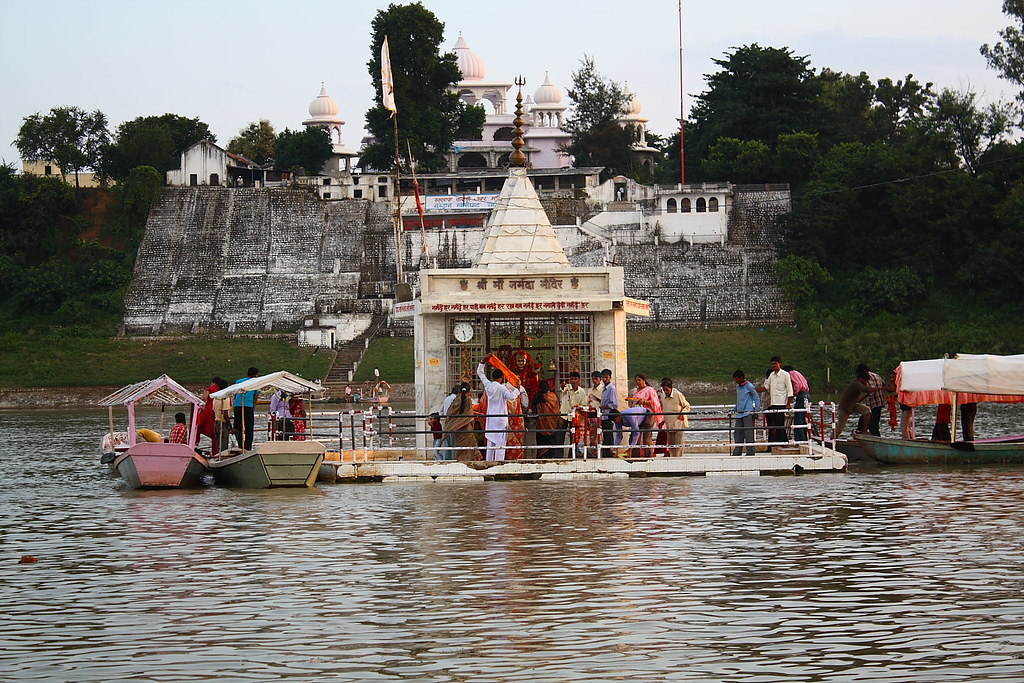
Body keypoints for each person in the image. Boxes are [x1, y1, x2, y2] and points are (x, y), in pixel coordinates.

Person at [477, 358, 523, 461]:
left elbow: (480, 372)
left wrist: (482, 362)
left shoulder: (488, 385)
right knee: (500, 444)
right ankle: (499, 464)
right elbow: (511, 397)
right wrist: (517, 389)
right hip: (501, 420)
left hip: (491, 420)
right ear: (501, 378)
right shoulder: (502, 388)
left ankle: (488, 463)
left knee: (490, 444)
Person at [760, 356, 793, 448]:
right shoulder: (771, 375)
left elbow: (790, 390)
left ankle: (784, 443)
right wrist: (753, 390)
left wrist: (788, 404)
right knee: (774, 425)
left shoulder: (785, 374)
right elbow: (766, 387)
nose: (774, 365)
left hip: (782, 403)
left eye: (775, 363)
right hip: (773, 404)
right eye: (772, 364)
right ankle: (779, 443)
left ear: (780, 364)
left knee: (779, 424)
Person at [629, 374, 663, 456]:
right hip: (637, 416)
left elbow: (655, 403)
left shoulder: (650, 390)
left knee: (646, 438)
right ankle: (635, 455)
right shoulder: (635, 391)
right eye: (636, 380)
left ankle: (648, 456)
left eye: (639, 380)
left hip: (647, 416)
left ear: (644, 380)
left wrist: (644, 402)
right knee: (635, 437)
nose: (638, 382)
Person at [444, 382, 480, 461]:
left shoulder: (455, 400)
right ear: (469, 391)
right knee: (468, 447)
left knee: (456, 448)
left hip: (455, 427)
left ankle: (455, 463)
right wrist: (471, 426)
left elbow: (450, 413)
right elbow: (470, 416)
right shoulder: (468, 400)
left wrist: (454, 423)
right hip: (466, 428)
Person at [558, 371, 589, 457]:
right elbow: (561, 389)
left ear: (579, 380)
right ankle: (558, 457)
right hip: (564, 416)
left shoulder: (582, 392)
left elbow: (583, 405)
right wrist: (562, 386)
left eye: (575, 379)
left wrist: (578, 407)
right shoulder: (566, 388)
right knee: (560, 437)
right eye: (571, 379)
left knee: (574, 438)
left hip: (575, 417)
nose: (573, 381)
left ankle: (572, 457)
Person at [835, 369, 871, 438]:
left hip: (853, 405)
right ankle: (832, 439)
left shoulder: (857, 384)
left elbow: (858, 400)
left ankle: (864, 431)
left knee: (867, 411)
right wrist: (882, 388)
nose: (866, 383)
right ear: (861, 379)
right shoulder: (856, 384)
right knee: (839, 429)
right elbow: (867, 390)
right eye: (865, 381)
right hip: (845, 408)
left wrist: (866, 395)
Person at [732, 370, 762, 456]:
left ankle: (750, 452)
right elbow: (739, 400)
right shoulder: (738, 387)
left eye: (737, 378)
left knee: (748, 433)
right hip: (740, 413)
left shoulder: (749, 386)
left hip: (748, 413)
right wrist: (735, 408)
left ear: (741, 378)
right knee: (737, 433)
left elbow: (756, 397)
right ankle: (737, 451)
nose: (736, 380)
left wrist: (756, 410)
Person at [658, 378, 691, 454]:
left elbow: (687, 406)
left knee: (679, 443)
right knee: (671, 444)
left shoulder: (678, 395)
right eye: (664, 390)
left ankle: (679, 459)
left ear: (671, 388)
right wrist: (662, 421)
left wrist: (682, 414)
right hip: (669, 423)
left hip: (679, 423)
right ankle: (672, 459)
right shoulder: (663, 397)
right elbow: (665, 410)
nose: (666, 392)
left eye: (667, 390)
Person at [233, 366, 260, 450]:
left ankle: (240, 445)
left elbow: (235, 394)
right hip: (248, 406)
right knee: (249, 427)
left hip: (237, 406)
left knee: (238, 426)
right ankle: (248, 446)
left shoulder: (239, 381)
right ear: (255, 375)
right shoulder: (257, 382)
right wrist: (253, 407)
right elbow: (255, 397)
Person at [782, 364, 810, 442]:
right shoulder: (798, 373)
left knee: (798, 418)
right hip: (806, 394)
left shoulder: (790, 374)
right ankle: (804, 438)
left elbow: (797, 385)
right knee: (803, 418)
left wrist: (792, 394)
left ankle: (800, 439)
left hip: (801, 395)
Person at [857, 364, 887, 436]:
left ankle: (876, 442)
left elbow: (871, 390)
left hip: (873, 404)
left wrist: (860, 399)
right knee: (872, 424)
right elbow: (884, 385)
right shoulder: (876, 375)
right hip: (879, 403)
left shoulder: (867, 378)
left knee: (870, 426)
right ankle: (873, 439)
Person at [533, 385, 562, 458]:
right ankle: (551, 457)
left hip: (541, 425)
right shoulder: (553, 396)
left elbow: (534, 410)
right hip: (552, 425)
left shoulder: (538, 396)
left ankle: (542, 458)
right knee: (551, 443)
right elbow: (557, 409)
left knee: (541, 444)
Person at [599, 368, 621, 456]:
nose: (604, 379)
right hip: (603, 415)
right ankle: (605, 454)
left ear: (610, 377)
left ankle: (608, 454)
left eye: (606, 377)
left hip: (608, 416)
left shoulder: (611, 388)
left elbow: (614, 404)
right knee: (605, 436)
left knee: (608, 436)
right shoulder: (604, 389)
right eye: (603, 378)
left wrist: (603, 407)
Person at [211, 377, 231, 454]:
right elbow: (225, 415)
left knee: (218, 445)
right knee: (224, 446)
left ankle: (218, 457)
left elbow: (213, 413)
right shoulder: (225, 399)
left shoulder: (215, 398)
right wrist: (230, 426)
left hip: (216, 423)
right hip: (223, 424)